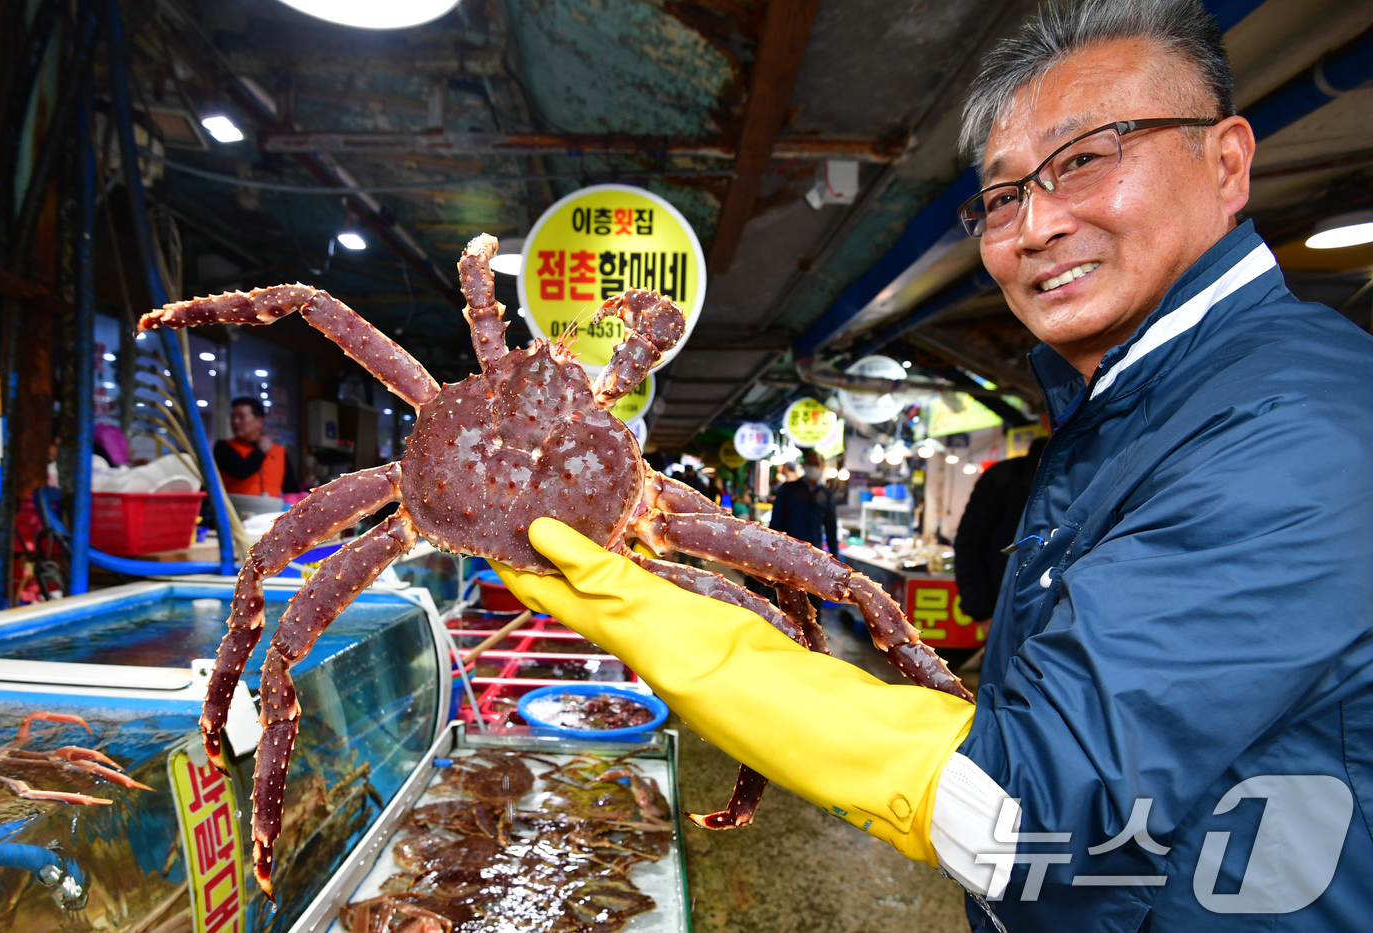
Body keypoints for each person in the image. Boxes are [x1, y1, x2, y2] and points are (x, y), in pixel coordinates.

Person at [493, 2, 1373, 929]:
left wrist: (697, 643)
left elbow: (1021, 807)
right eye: (1001, 195)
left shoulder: (1301, 426)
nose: (1034, 226)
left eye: (1084, 160)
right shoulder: (1123, 414)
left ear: (1227, 160)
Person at [952, 433, 1047, 629]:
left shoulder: (1101, 475)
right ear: (1045, 419)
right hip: (1005, 615)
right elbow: (969, 545)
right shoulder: (1004, 478)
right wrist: (982, 612)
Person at [214, 397, 298, 497]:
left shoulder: (279, 452)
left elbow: (292, 490)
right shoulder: (223, 447)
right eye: (233, 417)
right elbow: (241, 471)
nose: (235, 421)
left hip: (271, 511)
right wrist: (261, 451)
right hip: (234, 510)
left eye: (241, 417)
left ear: (260, 421)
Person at [769, 449, 839, 560]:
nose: (812, 467)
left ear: (822, 467)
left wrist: (834, 553)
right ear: (804, 465)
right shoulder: (788, 488)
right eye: (810, 463)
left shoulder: (826, 494)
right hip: (788, 549)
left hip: (814, 551)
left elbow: (831, 525)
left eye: (816, 464)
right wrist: (771, 544)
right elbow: (776, 519)